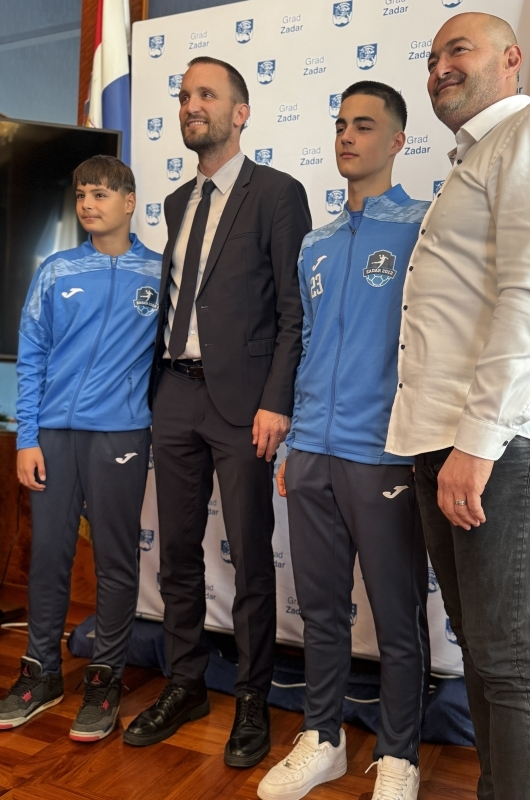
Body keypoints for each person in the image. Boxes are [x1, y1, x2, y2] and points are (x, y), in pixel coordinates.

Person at [385, 13, 530, 800]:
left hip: (501, 441)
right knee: (483, 656)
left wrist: (477, 444)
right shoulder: (473, 161)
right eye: (432, 55)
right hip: (446, 437)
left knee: (506, 661)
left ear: (512, 59)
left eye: (459, 49)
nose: (440, 66)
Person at [123, 57, 311, 768]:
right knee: (175, 553)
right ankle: (186, 683)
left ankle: (254, 698)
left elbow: (293, 312)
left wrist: (276, 401)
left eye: (206, 94)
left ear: (241, 112)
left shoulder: (279, 194)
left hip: (244, 405)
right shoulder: (177, 202)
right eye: (183, 95)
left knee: (251, 555)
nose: (190, 104)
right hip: (174, 393)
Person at [257, 81, 430, 800]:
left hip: (384, 455)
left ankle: (399, 756)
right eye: (340, 125)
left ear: (397, 141)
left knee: (396, 618)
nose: (347, 137)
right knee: (321, 612)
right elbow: (303, 344)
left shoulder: (424, 226)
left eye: (364, 125)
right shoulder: (316, 242)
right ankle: (322, 738)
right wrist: (295, 439)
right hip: (313, 454)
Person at [0, 155, 162, 741]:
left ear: (129, 202)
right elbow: (32, 356)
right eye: (81, 195)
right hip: (53, 437)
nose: (88, 204)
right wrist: (27, 437)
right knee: (48, 555)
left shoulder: (159, 274)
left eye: (101, 194)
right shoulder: (56, 269)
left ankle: (104, 678)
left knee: (116, 560)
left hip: (120, 434)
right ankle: (40, 673)